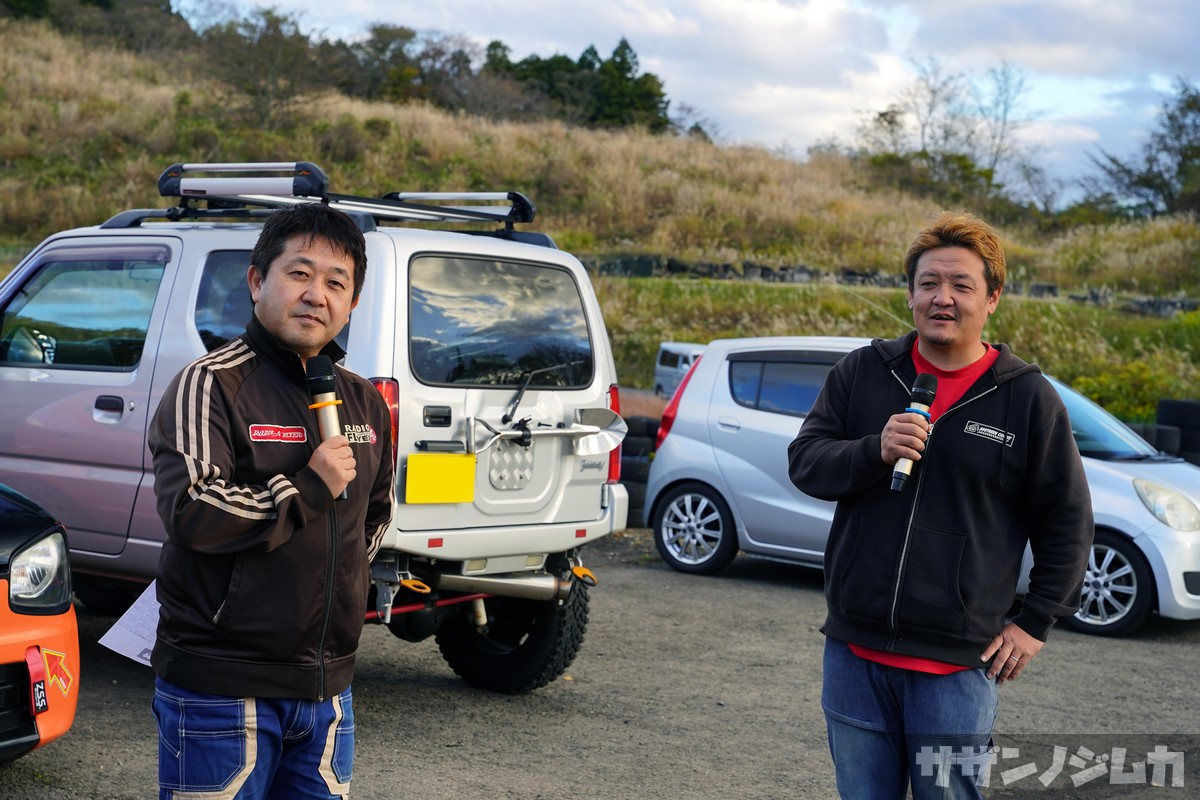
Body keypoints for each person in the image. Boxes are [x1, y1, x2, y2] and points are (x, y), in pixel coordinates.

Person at [787, 211, 1093, 799]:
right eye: (928, 283)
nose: (942, 298)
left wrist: (1035, 622)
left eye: (961, 285)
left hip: (955, 668)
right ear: (910, 295)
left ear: (992, 299)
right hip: (854, 653)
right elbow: (806, 462)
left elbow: (1068, 520)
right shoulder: (864, 371)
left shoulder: (1028, 398)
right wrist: (874, 450)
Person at [148, 203, 394, 799]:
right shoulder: (211, 383)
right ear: (258, 280)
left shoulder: (363, 401)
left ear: (353, 303)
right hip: (222, 689)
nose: (316, 295)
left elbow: (373, 517)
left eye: (336, 283)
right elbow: (194, 510)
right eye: (299, 273)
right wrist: (307, 488)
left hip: (328, 692)